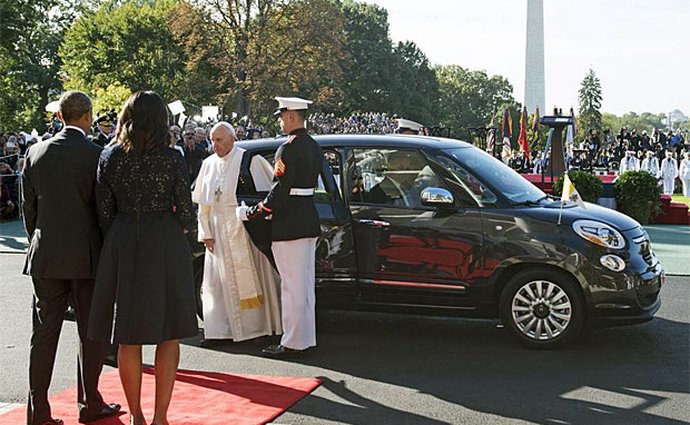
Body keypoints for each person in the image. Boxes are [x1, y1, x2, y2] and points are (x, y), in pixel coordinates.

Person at [88, 91, 198, 425]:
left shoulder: (109, 156)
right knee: (170, 331)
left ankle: (136, 415)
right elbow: (185, 206)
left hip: (123, 238)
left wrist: (118, 237)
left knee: (128, 334)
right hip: (164, 238)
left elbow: (103, 210)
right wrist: (187, 237)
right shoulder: (173, 156)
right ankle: (160, 417)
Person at [22, 90, 121, 425]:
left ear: (60, 117)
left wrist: (39, 240)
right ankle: (89, 402)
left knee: (44, 333)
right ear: (88, 116)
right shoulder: (97, 154)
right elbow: (104, 210)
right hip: (87, 255)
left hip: (46, 253)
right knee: (90, 332)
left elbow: (29, 209)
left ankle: (38, 413)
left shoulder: (35, 152)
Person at [236, 96, 322, 357]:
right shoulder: (314, 146)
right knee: (305, 286)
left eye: (283, 116)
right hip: (307, 220)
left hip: (290, 225)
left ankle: (293, 341)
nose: (281, 121)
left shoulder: (288, 149)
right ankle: (305, 338)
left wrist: (255, 212)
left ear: (292, 117)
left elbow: (280, 192)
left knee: (292, 286)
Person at [192, 122, 282, 344]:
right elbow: (203, 205)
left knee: (252, 279)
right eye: (212, 140)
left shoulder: (248, 160)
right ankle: (221, 332)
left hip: (244, 230)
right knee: (218, 284)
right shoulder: (208, 164)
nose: (215, 145)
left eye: (219, 140)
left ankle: (258, 330)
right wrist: (205, 232)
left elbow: (266, 194)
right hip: (217, 231)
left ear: (232, 139)